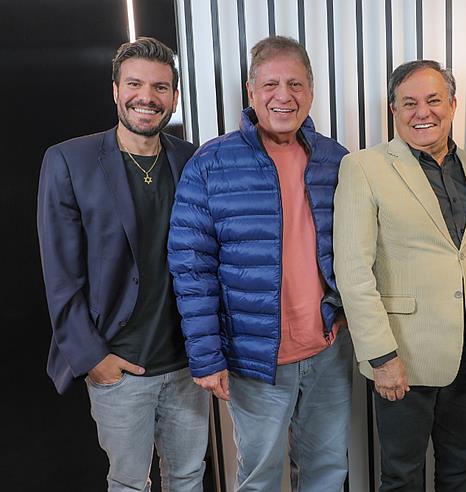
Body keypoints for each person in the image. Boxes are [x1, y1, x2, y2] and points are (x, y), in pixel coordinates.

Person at [168, 36, 352, 492]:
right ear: (251, 92)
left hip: (328, 350)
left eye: (295, 84)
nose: (283, 96)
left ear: (311, 91)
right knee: (260, 477)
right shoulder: (211, 162)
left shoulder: (335, 160)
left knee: (328, 472)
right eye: (271, 84)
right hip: (255, 358)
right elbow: (191, 267)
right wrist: (206, 357)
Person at [37, 37, 208, 491]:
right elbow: (60, 275)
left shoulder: (191, 159)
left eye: (160, 87)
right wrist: (95, 359)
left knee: (189, 476)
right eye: (134, 84)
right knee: (129, 483)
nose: (146, 97)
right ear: (115, 90)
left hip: (187, 365)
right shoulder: (69, 160)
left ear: (174, 96)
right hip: (120, 366)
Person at [333, 60, 466, 491]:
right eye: (409, 103)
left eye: (433, 100)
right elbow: (352, 271)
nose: (422, 112)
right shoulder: (364, 167)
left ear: (453, 105)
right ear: (393, 110)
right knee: (402, 476)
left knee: (464, 470)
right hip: (403, 356)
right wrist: (380, 356)